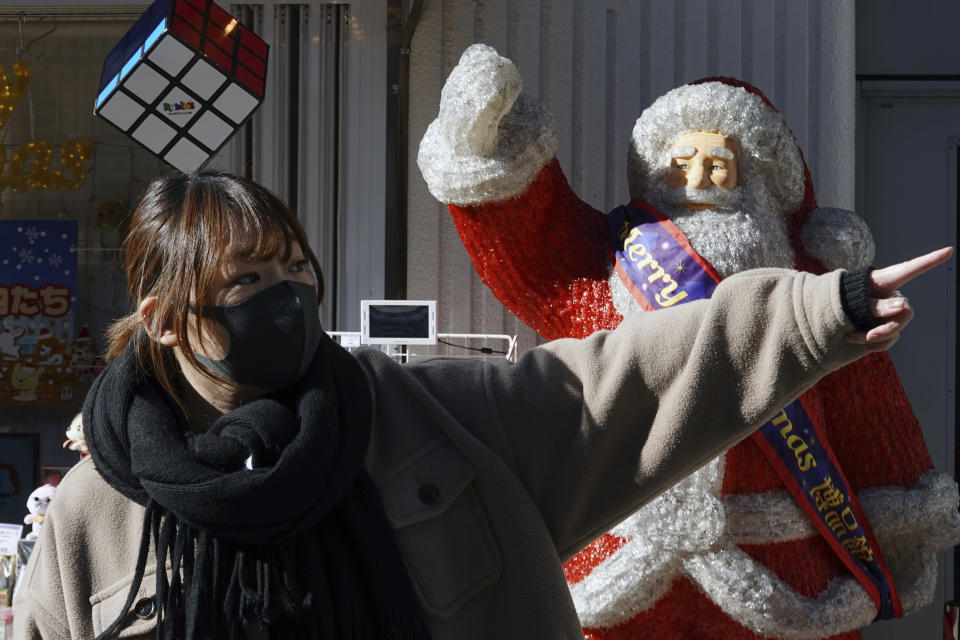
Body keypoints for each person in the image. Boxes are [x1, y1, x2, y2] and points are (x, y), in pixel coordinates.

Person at [11, 170, 949, 640]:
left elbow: (628, 376)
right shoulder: (96, 516)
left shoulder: (433, 419)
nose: (288, 295)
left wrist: (821, 308)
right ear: (167, 322)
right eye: (249, 279)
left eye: (296, 267)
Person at [417, 44, 959, 638]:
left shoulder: (814, 283)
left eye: (718, 163)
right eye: (683, 162)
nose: (699, 176)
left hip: (784, 574)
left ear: (756, 180)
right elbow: (536, 245)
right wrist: (488, 143)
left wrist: (899, 506)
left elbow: (868, 409)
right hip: (620, 567)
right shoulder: (610, 268)